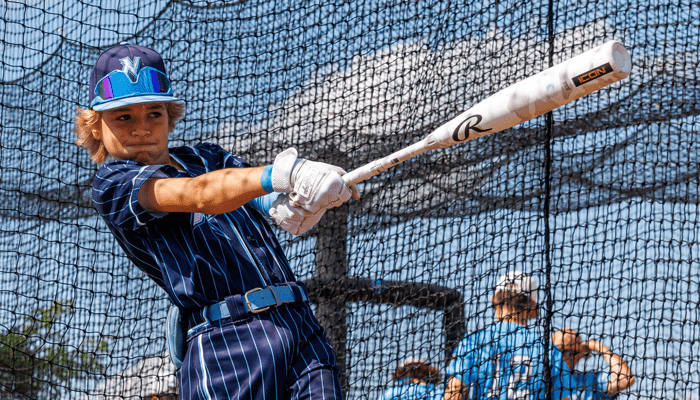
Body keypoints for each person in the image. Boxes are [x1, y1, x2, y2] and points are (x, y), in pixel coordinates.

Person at [74, 44, 361, 399]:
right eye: (123, 117)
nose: (142, 128)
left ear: (169, 115)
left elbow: (262, 196)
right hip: (228, 345)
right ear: (96, 125)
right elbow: (201, 193)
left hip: (299, 324)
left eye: (154, 113)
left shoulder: (207, 156)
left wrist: (295, 203)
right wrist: (287, 173)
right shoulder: (113, 183)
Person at [444, 271, 572, 400]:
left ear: (494, 302)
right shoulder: (548, 350)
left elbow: (454, 392)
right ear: (533, 309)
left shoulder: (473, 341)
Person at [552, 328, 635, 400]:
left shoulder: (590, 380)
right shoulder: (547, 378)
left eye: (569, 353)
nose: (560, 357)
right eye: (557, 351)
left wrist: (600, 348)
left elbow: (626, 379)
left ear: (579, 354)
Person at [380, 357, 444, 400]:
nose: (416, 372)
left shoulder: (392, 392)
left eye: (418, 369)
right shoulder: (393, 392)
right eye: (411, 369)